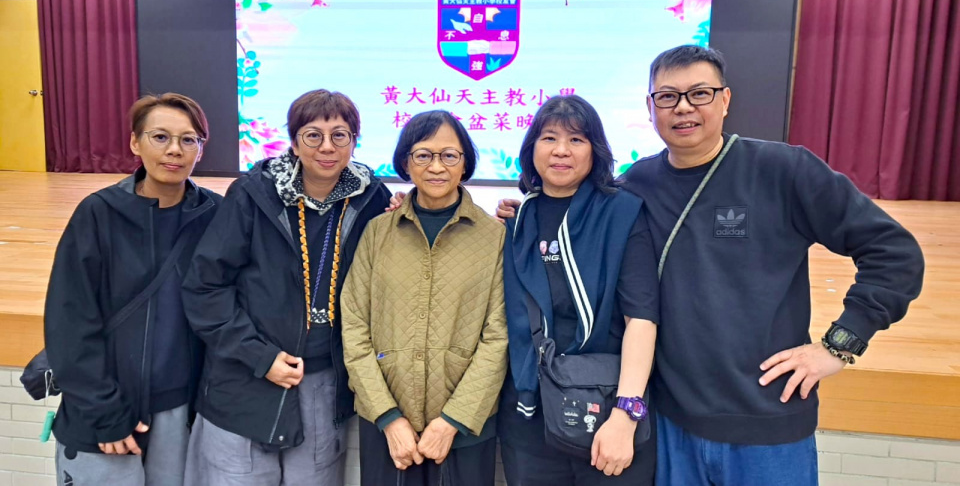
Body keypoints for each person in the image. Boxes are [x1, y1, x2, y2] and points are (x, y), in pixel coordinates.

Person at [500, 46, 925, 486]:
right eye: (668, 96)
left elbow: (894, 252)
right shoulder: (638, 185)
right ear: (651, 107)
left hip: (768, 422)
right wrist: (526, 214)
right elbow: (580, 215)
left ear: (725, 100)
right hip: (674, 424)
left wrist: (839, 345)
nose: (683, 108)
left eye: (699, 93)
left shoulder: (783, 170)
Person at [181, 89, 391, 486]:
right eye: (313, 135)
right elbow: (205, 287)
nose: (327, 147)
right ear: (294, 142)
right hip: (244, 377)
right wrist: (258, 356)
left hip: (323, 383)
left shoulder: (371, 198)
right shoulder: (253, 194)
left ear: (355, 142)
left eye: (340, 135)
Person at [45, 94, 220, 486]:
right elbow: (69, 322)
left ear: (201, 149)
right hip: (107, 410)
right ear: (135, 143)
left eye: (188, 140)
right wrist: (103, 412)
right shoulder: (98, 214)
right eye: (160, 137)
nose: (174, 150)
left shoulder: (215, 215)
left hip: (181, 413)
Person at [340, 110, 508, 486]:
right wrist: (387, 417)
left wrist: (452, 421)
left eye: (449, 155)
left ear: (465, 163)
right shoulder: (377, 233)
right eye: (423, 155)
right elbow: (354, 325)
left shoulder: (494, 238)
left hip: (466, 429)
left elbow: (499, 338)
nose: (436, 166)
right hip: (386, 428)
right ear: (405, 162)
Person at [497, 95, 659, 486]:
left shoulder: (622, 214)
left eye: (576, 140)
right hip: (530, 411)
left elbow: (642, 319)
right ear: (532, 149)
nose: (561, 151)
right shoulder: (516, 223)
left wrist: (626, 412)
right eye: (549, 138)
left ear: (594, 151)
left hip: (606, 406)